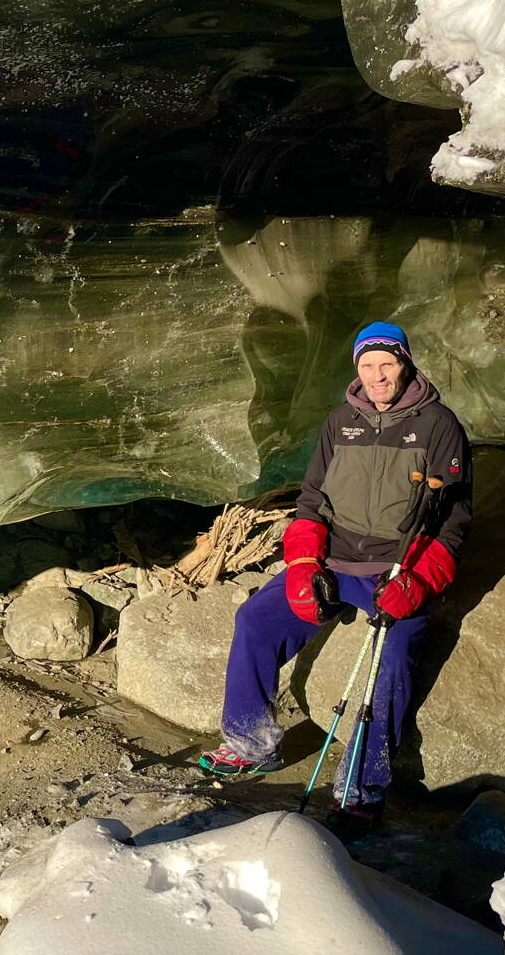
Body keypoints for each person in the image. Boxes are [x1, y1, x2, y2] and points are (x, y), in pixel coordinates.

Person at [202, 320, 473, 823]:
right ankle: (249, 743)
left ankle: (359, 789)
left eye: (386, 364)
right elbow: (312, 502)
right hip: (333, 562)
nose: (377, 376)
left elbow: (454, 518)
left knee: (390, 659)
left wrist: (418, 580)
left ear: (405, 363)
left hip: (396, 567)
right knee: (256, 620)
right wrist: (304, 564)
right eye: (367, 366)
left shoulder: (438, 424)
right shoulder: (338, 422)